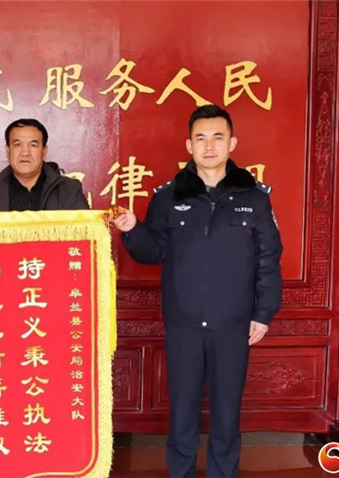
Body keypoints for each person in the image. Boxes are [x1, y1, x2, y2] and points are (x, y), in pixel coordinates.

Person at [112, 105, 283, 478]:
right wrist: (133, 229)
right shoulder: (168, 197)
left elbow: (269, 257)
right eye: (201, 138)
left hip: (233, 323)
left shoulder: (254, 198)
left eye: (217, 137)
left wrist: (264, 312)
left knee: (226, 414)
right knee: (183, 414)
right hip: (184, 323)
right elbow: (153, 252)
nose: (209, 146)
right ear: (189, 145)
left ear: (231, 143)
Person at [0, 118, 89, 212]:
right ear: (8, 152)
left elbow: (89, 232)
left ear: (44, 152)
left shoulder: (70, 190)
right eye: (17, 145)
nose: (25, 152)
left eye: (33, 145)